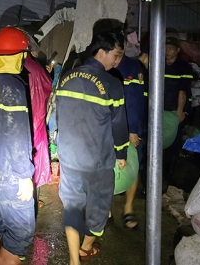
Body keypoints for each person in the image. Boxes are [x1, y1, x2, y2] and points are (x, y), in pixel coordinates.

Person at [55, 21, 129, 263]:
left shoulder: (66, 78)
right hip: (97, 161)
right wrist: (121, 154)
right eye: (116, 55)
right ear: (101, 51)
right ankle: (85, 248)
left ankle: (74, 261)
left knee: (73, 208)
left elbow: (59, 115)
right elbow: (119, 125)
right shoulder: (112, 84)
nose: (117, 62)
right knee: (99, 210)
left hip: (68, 157)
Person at [0, 27, 36, 265]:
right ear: (21, 55)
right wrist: (24, 175)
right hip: (11, 174)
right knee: (21, 232)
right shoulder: (13, 87)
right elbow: (15, 133)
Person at [116, 45, 148, 229]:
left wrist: (133, 129)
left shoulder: (133, 67)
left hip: (129, 127)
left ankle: (128, 207)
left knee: (132, 165)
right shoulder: (101, 64)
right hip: (107, 127)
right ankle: (107, 208)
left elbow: (136, 101)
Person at [161, 32, 195, 189]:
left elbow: (183, 90)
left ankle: (168, 179)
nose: (167, 51)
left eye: (171, 48)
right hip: (160, 111)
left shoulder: (184, 67)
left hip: (175, 112)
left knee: (173, 147)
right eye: (165, 48)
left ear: (177, 50)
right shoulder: (158, 64)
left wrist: (180, 112)